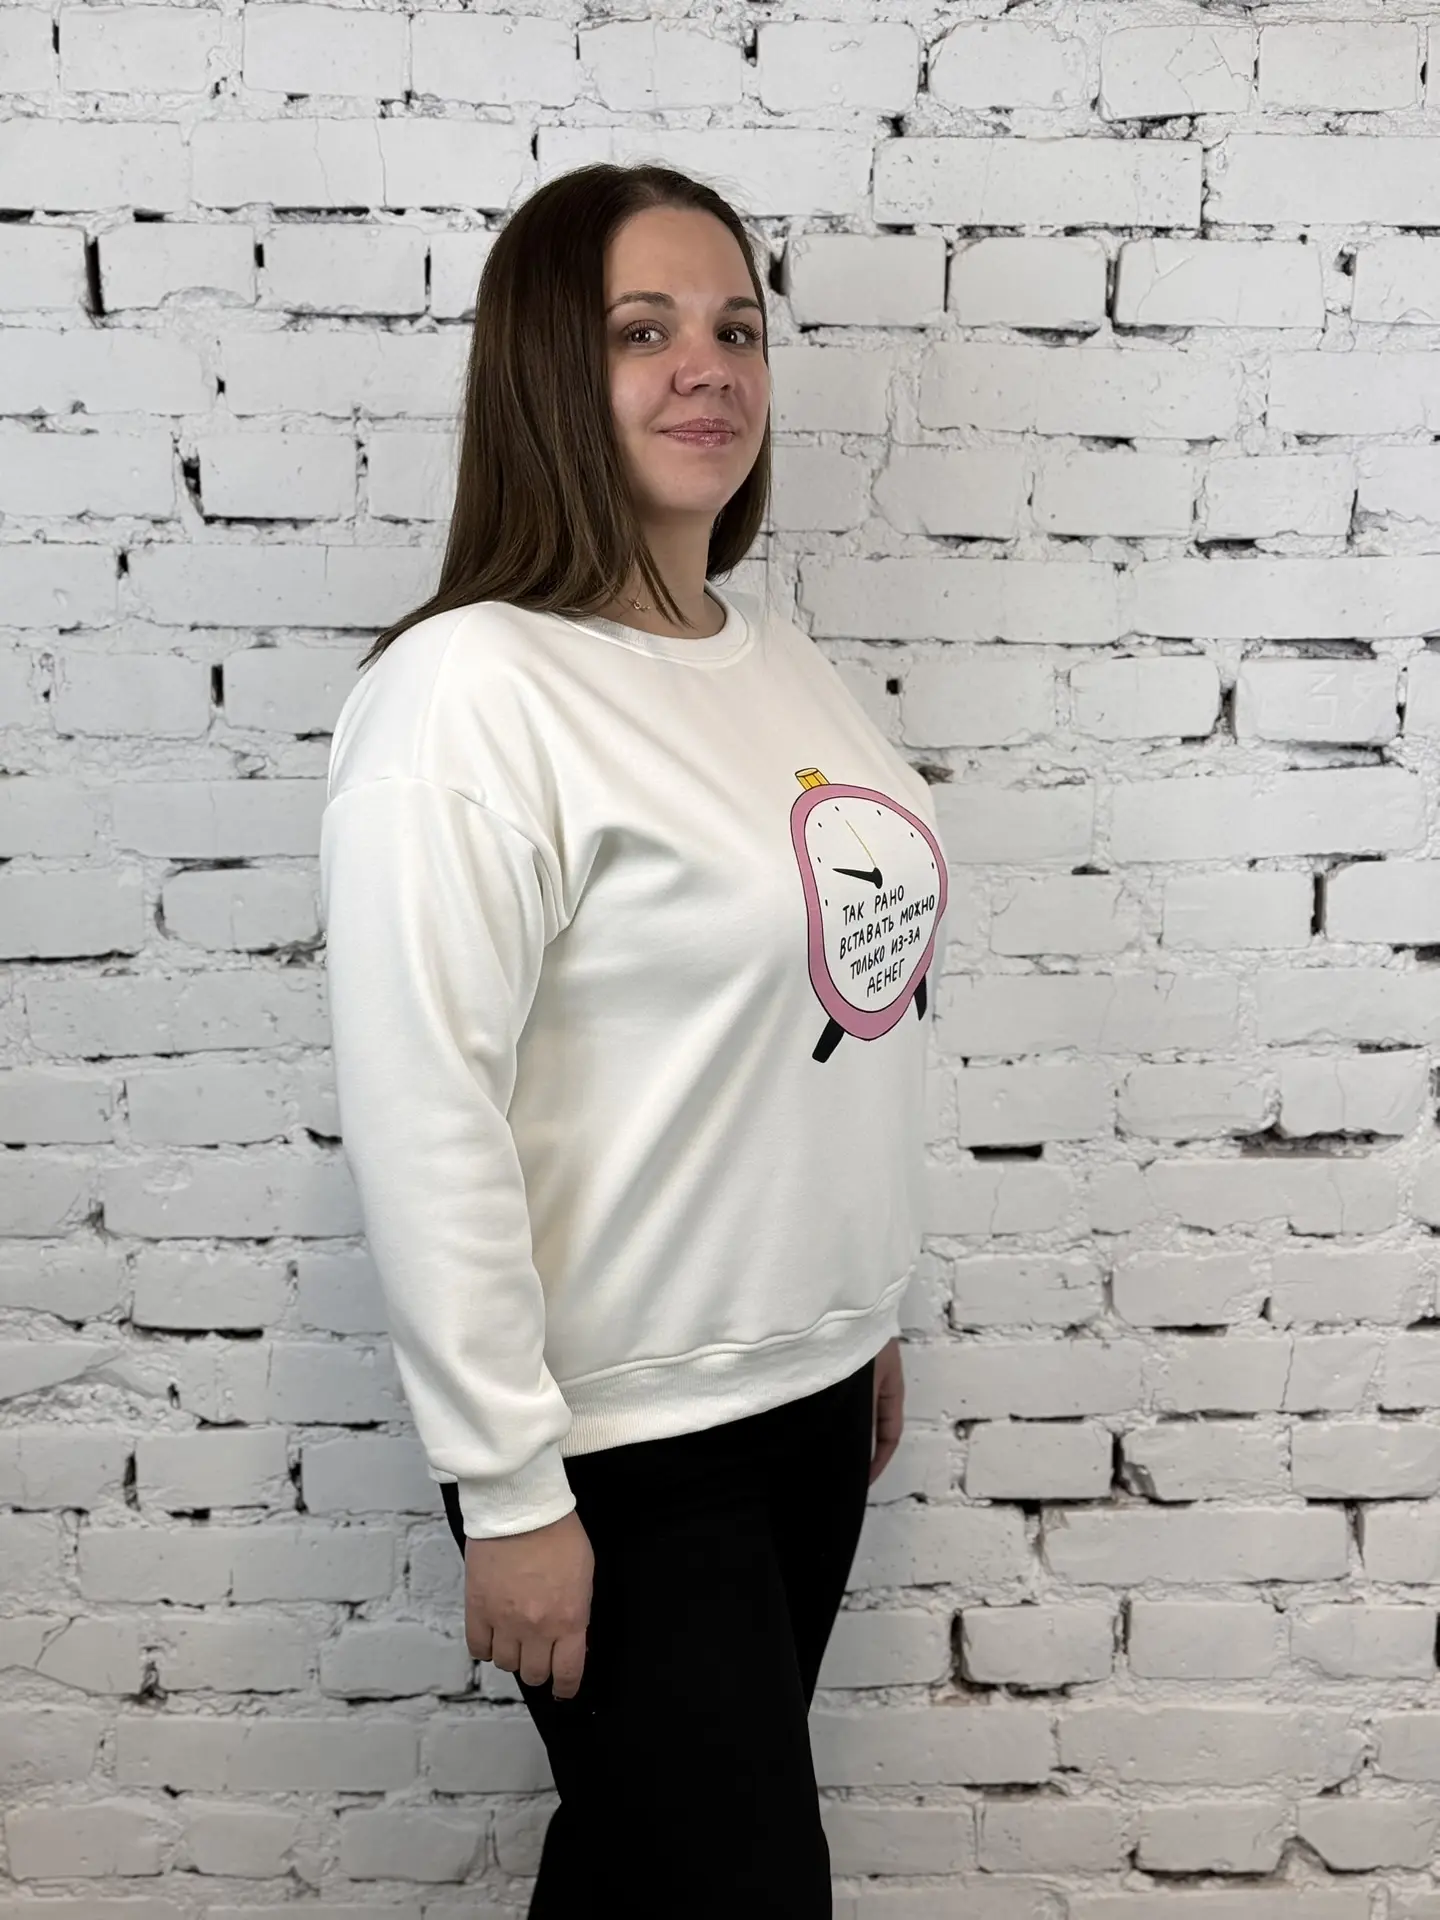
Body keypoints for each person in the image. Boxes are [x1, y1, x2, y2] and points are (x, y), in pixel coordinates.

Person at [318, 162, 951, 1919]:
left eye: (738, 328)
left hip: (810, 1402)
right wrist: (507, 1486)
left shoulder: (780, 659)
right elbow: (425, 1107)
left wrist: (859, 1314)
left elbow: (816, 1027)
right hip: (621, 1445)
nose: (708, 368)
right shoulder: (471, 692)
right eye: (641, 331)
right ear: (545, 370)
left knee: (643, 1879)